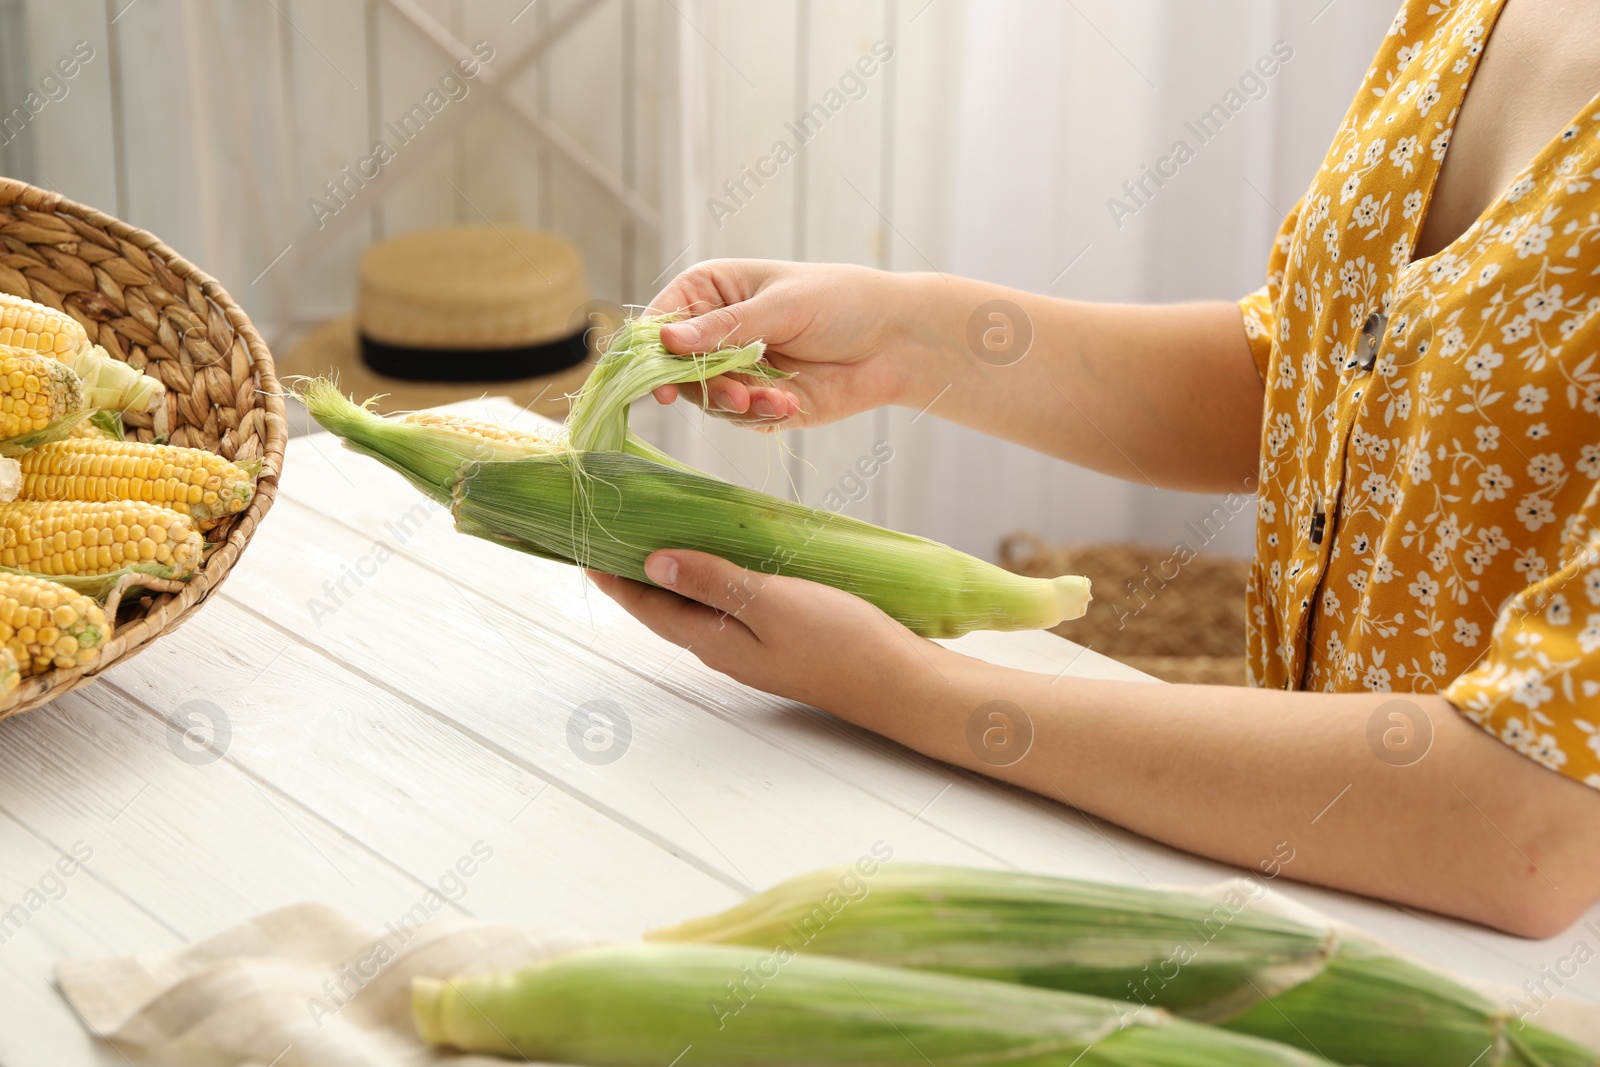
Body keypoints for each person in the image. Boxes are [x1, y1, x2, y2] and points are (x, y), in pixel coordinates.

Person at [588, 0, 1600, 939]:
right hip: (1311, 910)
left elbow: (1532, 820)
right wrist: (905, 335)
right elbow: (1323, 387)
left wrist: (910, 688)